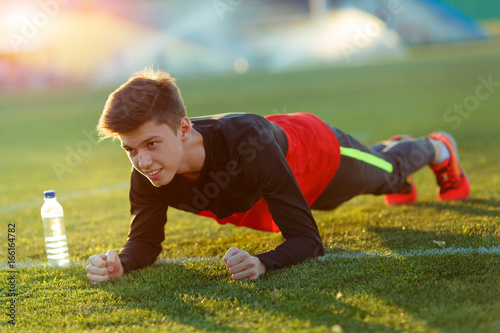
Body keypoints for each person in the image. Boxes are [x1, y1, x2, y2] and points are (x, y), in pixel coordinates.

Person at [86, 69, 470, 284]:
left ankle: (437, 148)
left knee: (386, 177)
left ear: (184, 129)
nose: (142, 161)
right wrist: (122, 262)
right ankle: (390, 154)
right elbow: (145, 243)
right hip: (272, 189)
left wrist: (263, 263)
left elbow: (307, 240)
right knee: (361, 186)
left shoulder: (246, 145)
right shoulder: (149, 172)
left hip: (316, 155)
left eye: (151, 144)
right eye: (130, 149)